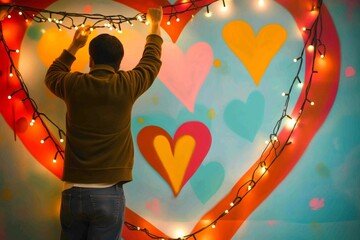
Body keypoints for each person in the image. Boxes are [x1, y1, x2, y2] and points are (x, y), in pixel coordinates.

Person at [45, 7, 163, 240]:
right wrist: (154, 25)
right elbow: (151, 60)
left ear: (90, 59)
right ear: (119, 62)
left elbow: (52, 75)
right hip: (109, 194)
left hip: (72, 192)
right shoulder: (128, 83)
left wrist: (75, 45)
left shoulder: (73, 84)